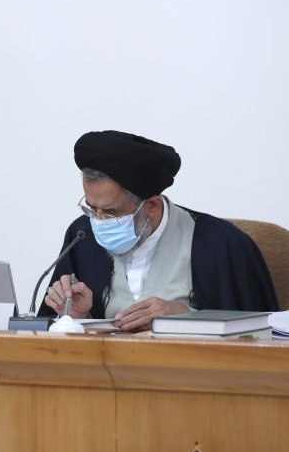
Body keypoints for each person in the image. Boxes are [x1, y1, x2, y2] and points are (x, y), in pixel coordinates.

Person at [38, 130, 278, 332]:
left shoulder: (223, 244)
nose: (99, 221)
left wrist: (186, 317)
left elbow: (259, 338)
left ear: (151, 205)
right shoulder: (81, 236)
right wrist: (78, 316)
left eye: (111, 212)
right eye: (92, 208)